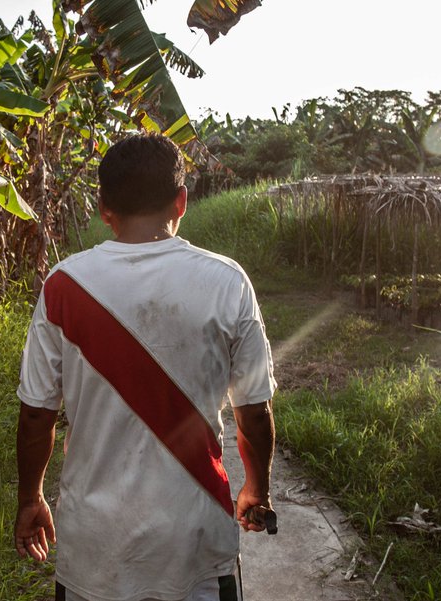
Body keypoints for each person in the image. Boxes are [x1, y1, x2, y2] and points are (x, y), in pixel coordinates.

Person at [14, 133, 276, 601]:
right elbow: (253, 412)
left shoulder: (64, 284)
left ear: (103, 207)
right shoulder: (227, 281)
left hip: (94, 546)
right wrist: (257, 489)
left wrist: (30, 498)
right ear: (182, 201)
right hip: (194, 540)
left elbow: (37, 414)